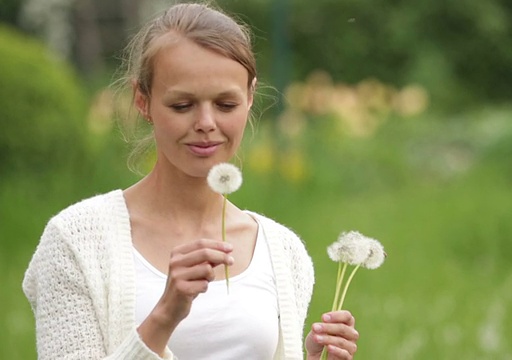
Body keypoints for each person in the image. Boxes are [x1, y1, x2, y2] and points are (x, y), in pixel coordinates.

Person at [22, 3, 359, 360]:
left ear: (249, 99)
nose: (206, 123)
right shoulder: (77, 241)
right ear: (142, 100)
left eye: (226, 104)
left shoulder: (283, 253)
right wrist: (164, 316)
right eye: (182, 105)